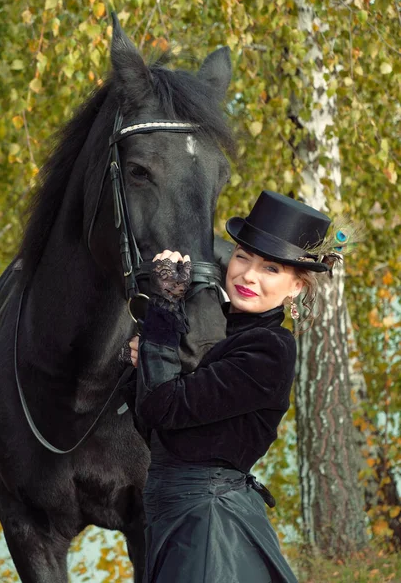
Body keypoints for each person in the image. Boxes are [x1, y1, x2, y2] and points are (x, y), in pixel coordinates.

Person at [125, 190, 347, 583]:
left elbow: (163, 406)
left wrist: (163, 311)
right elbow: (153, 427)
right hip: (174, 515)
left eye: (271, 269)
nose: (248, 275)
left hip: (209, 524)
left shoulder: (270, 350)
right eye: (243, 257)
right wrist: (141, 361)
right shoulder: (212, 328)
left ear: (296, 287)